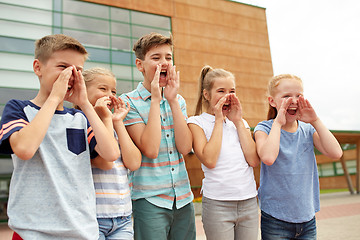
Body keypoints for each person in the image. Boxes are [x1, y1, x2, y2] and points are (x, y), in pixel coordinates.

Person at [0, 34, 120, 240]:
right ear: (38, 68)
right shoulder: (18, 109)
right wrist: (55, 97)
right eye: (63, 67)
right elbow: (25, 149)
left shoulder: (80, 117)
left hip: (81, 230)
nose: (71, 75)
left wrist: (84, 104)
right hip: (31, 231)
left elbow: (110, 154)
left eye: (78, 70)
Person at [120, 32, 196, 239]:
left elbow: (185, 148)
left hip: (183, 197)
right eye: (156, 58)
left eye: (168, 58)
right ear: (140, 64)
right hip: (149, 199)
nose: (164, 63)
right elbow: (150, 149)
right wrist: (155, 100)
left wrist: (171, 101)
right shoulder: (128, 102)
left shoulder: (178, 100)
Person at [254, 74, 343, 240]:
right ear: (272, 101)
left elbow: (336, 153)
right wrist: (278, 124)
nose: (293, 100)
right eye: (286, 96)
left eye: (298, 95)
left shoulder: (308, 130)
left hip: (307, 218)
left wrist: (315, 120)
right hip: (275, 219)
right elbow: (268, 157)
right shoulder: (264, 128)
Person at [187, 66, 260, 240]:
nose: (228, 96)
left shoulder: (240, 122)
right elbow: (209, 159)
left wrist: (237, 121)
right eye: (221, 91)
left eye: (232, 91)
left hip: (248, 201)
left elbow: (253, 160)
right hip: (218, 204)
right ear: (206, 95)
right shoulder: (196, 122)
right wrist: (219, 119)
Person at [81, 67, 141, 240]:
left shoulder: (114, 126)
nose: (110, 95)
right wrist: (106, 119)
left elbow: (134, 163)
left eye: (113, 90)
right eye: (103, 88)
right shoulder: (80, 122)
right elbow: (105, 161)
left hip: (122, 217)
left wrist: (117, 122)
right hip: (95, 216)